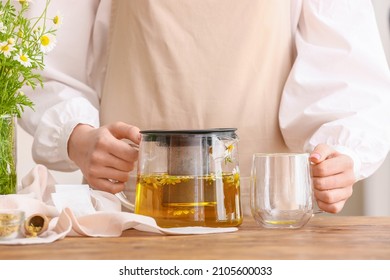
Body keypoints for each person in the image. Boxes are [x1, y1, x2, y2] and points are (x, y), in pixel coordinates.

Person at [20, 0, 390, 214]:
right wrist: (78, 137)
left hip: (270, 218)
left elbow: (348, 73)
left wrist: (342, 156)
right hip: (127, 216)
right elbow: (41, 62)